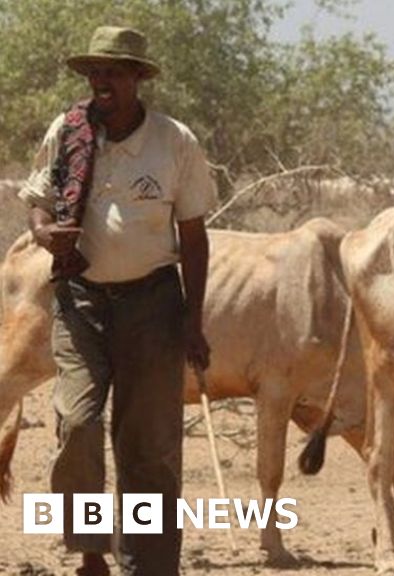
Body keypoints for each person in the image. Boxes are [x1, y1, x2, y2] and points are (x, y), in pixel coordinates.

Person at [17, 26, 216, 576]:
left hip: (153, 305)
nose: (101, 82)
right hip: (80, 301)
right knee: (77, 425)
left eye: (114, 72)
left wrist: (193, 322)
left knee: (148, 448)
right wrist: (41, 232)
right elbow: (36, 200)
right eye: (95, 73)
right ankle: (90, 552)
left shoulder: (175, 141)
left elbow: (195, 237)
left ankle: (147, 565)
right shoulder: (69, 131)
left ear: (136, 78)